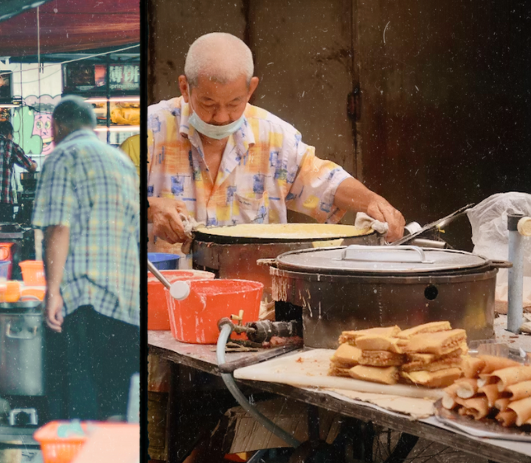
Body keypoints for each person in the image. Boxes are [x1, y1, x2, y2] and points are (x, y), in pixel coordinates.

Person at [145, 33, 405, 248]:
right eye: (208, 103)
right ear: (184, 88)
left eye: (235, 103)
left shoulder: (275, 136)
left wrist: (373, 201)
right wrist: (151, 207)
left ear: (251, 89)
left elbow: (326, 182)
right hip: (168, 292)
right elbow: (106, 200)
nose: (222, 117)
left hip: (257, 296)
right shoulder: (149, 130)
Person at [32, 97, 139, 420]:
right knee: (115, 409)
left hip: (84, 299)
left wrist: (52, 291)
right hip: (127, 302)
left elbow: (58, 226)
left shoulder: (63, 156)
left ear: (56, 127)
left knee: (77, 409)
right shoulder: (123, 162)